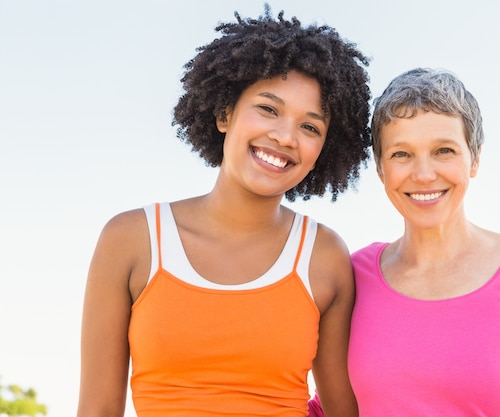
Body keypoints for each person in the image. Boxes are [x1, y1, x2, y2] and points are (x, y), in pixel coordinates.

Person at [76, 5, 371, 417]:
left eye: (310, 127)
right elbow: (96, 409)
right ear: (223, 113)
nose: (285, 136)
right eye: (268, 109)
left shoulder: (325, 255)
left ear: (323, 148)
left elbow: (346, 411)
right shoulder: (130, 239)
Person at [315, 67, 500, 416]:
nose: (424, 174)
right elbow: (328, 405)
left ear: (474, 159)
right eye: (401, 154)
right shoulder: (353, 275)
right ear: (381, 168)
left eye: (444, 150)